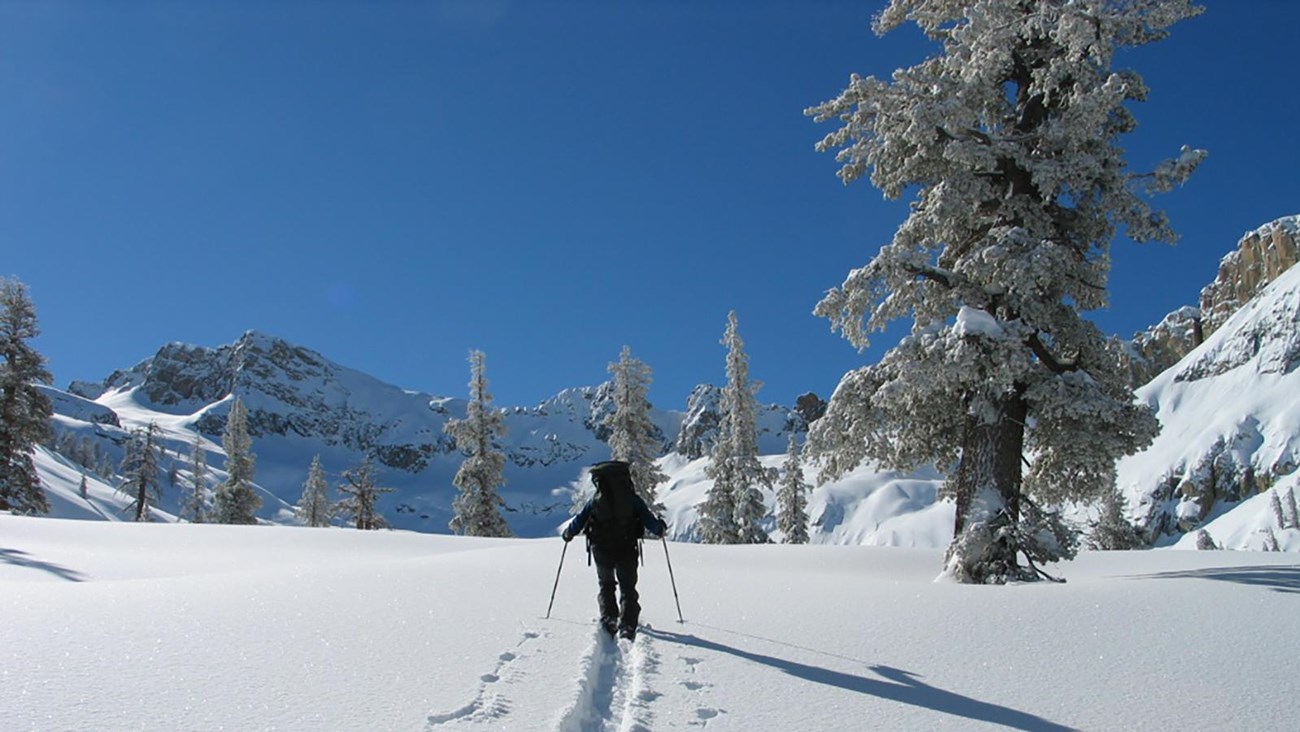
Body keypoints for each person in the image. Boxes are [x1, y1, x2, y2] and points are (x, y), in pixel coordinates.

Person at [561, 460, 668, 640]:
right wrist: (660, 528)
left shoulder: (595, 500)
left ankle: (609, 618)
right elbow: (650, 522)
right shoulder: (632, 499)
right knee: (628, 588)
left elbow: (579, 521)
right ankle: (628, 625)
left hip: (601, 549)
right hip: (627, 548)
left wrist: (568, 534)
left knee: (606, 585)